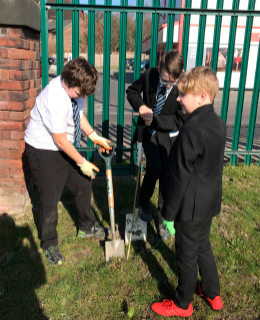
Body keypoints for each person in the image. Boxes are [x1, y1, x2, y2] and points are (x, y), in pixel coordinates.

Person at [151, 66, 226, 317]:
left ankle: (183, 303)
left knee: (185, 254)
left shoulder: (191, 130)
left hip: (190, 207)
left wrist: (169, 213)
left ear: (202, 96)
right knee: (203, 245)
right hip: (209, 201)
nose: (179, 99)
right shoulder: (216, 121)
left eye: (183, 95)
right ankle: (212, 293)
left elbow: (179, 176)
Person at [25, 57, 111, 266]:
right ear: (69, 83)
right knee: (50, 196)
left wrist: (93, 136)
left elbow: (78, 115)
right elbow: (60, 140)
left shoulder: (73, 90)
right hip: (43, 148)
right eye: (80, 93)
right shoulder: (55, 97)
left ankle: (86, 226)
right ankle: (49, 244)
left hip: (62, 145)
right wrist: (82, 161)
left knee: (83, 181)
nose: (82, 97)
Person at [126, 50, 187, 240]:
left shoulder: (183, 86)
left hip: (168, 135)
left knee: (167, 175)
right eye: (165, 80)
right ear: (160, 69)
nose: (168, 85)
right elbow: (132, 92)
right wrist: (141, 106)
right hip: (149, 133)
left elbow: (180, 118)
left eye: (172, 83)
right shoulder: (149, 75)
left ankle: (163, 215)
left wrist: (157, 121)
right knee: (154, 168)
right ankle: (143, 203)